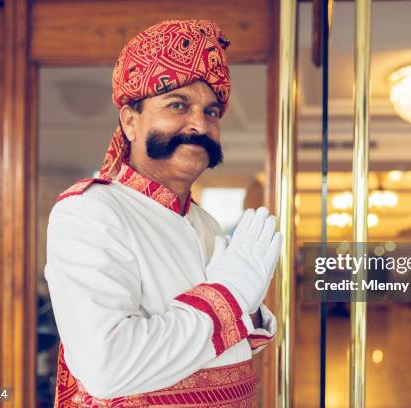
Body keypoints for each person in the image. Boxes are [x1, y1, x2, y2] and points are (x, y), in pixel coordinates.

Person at [45, 20, 282, 407]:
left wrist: (246, 312)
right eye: (178, 105)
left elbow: (230, 345)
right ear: (130, 121)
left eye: (212, 112)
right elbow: (109, 367)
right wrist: (232, 297)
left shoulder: (202, 222)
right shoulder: (89, 212)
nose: (200, 124)